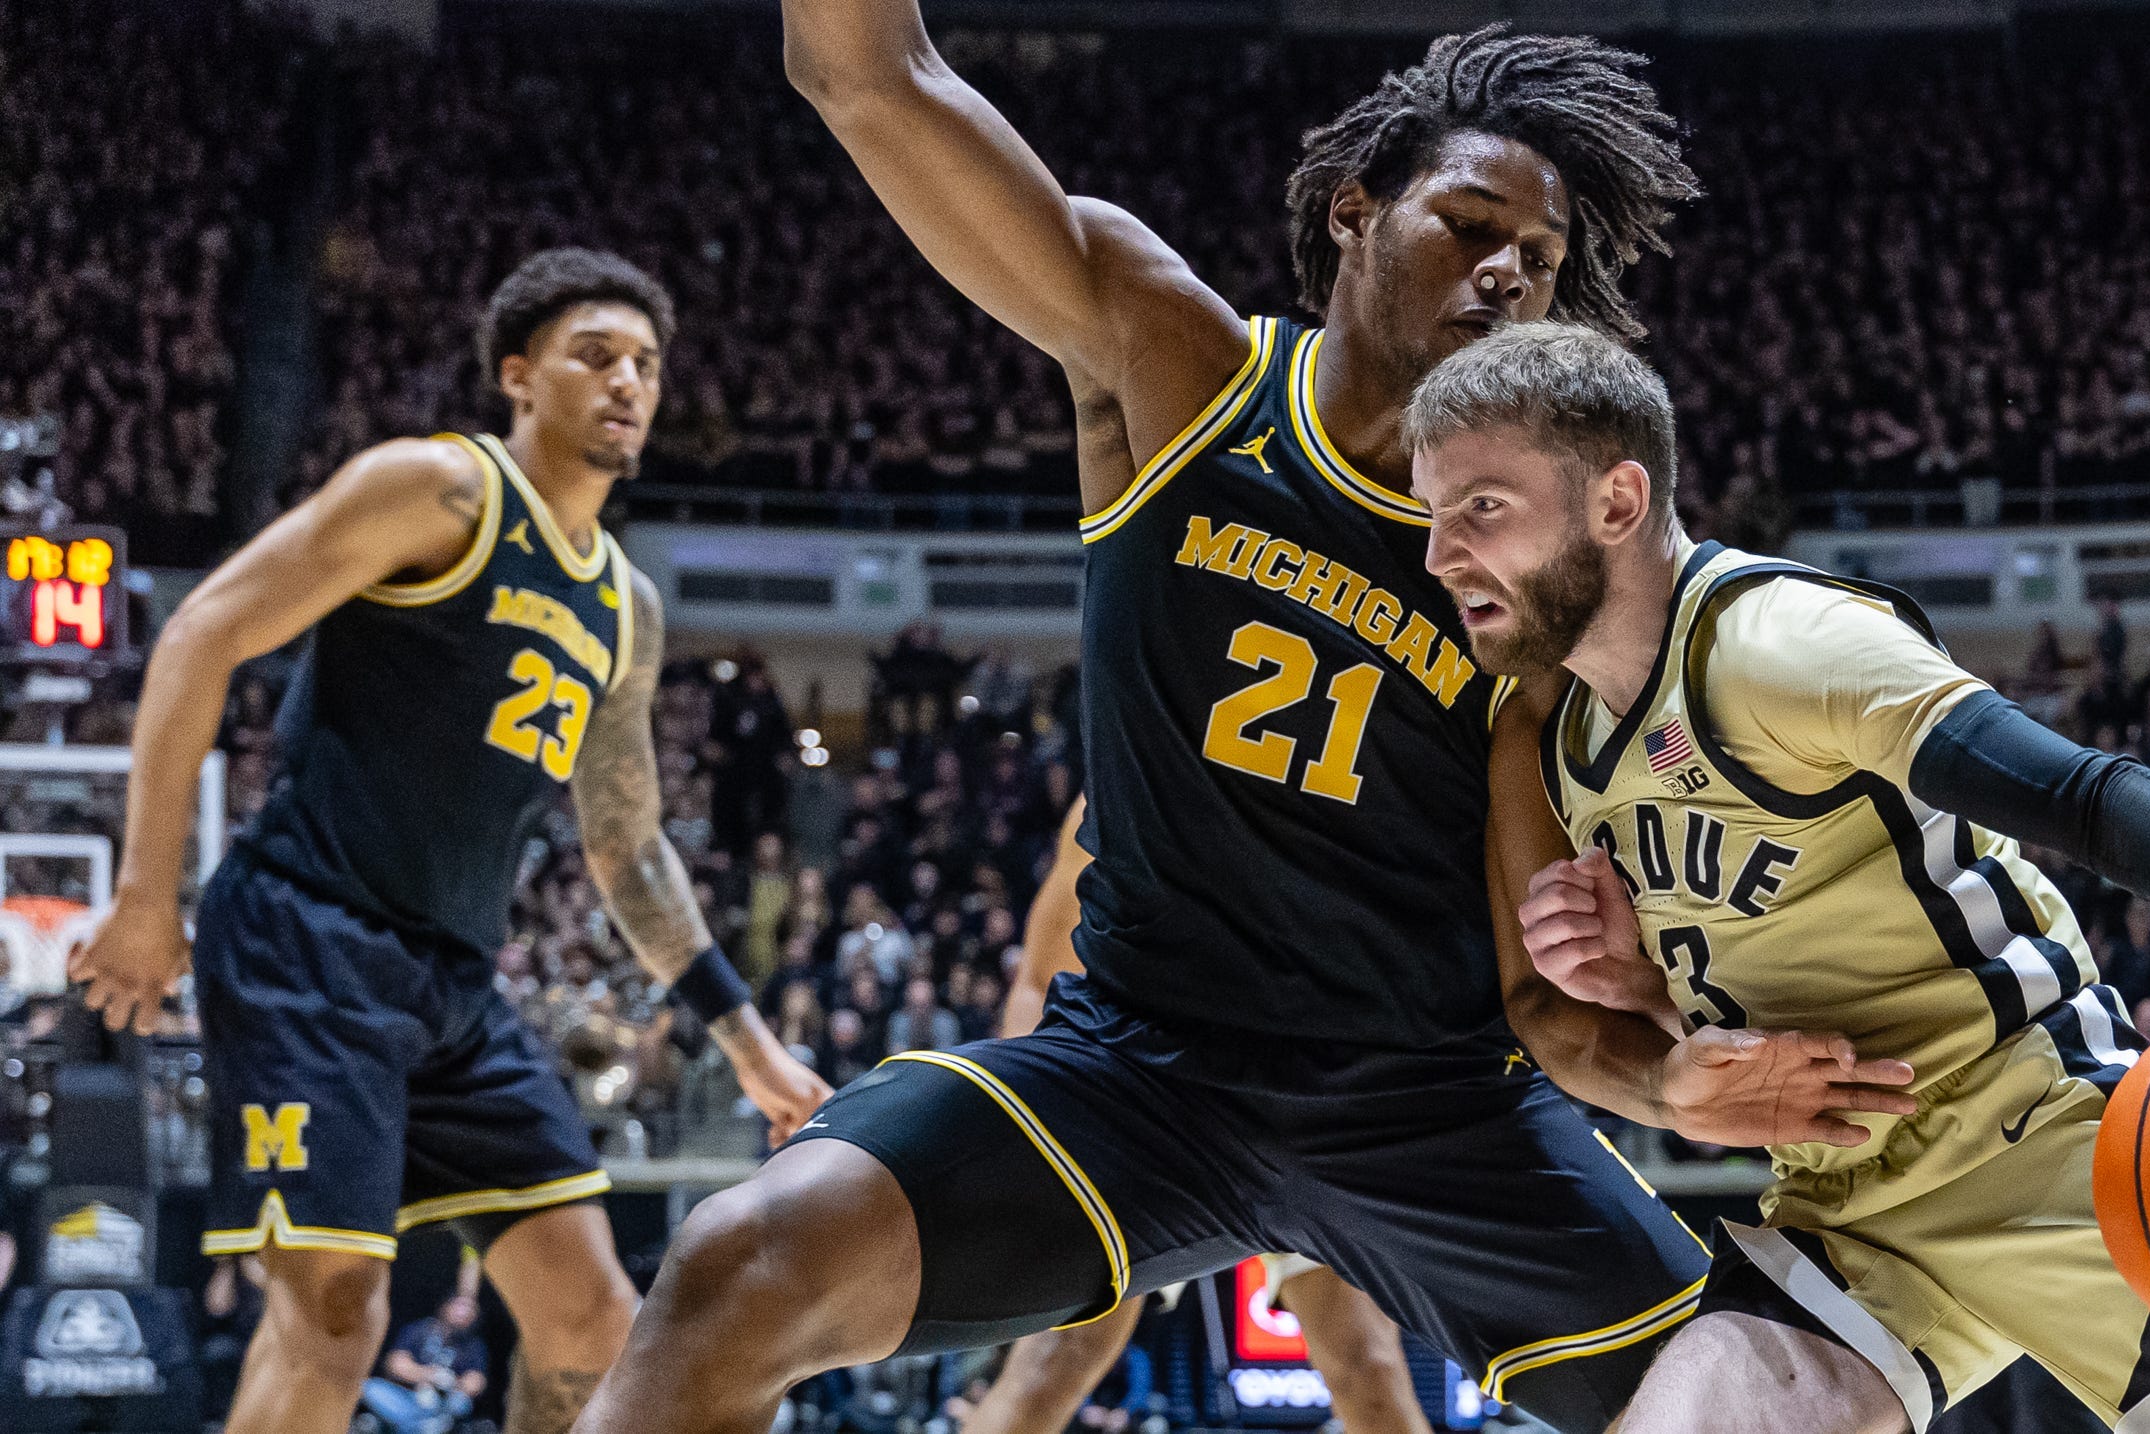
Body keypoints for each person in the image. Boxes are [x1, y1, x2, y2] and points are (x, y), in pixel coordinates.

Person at [581, 24, 1878, 1434]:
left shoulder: (1553, 579)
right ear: (1354, 212)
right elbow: (868, 78)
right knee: (734, 1265)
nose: (1509, 271)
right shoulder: (1179, 365)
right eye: (1469, 224)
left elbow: (1552, 1002)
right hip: (1138, 1067)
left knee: (1781, 1412)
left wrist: (1671, 1076)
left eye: (1542, 259)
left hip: (1426, 1105)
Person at [1424, 323, 2150, 1432]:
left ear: (1618, 502)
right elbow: (1766, 964)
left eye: (1482, 507)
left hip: (2030, 1138)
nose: (1441, 554)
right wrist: (1644, 986)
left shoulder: (1779, 644)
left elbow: (2082, 795)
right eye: (1435, 513)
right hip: (1844, 1199)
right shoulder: (1571, 740)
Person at [70, 250, 831, 1434]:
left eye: (646, 364)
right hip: (308, 940)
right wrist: (143, 895)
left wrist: (750, 1044)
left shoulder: (624, 607)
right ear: (518, 376)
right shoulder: (437, 491)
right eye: (595, 356)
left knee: (596, 1321)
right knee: (336, 1315)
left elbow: (629, 849)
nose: (627, 382)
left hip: (454, 987)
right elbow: (201, 631)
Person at [951, 404, 1431, 1434]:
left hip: (1301, 1083)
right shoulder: (1136, 786)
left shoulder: (1349, 794)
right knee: (1058, 1360)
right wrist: (1044, 1110)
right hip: (1151, 1087)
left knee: (1366, 1366)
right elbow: (1039, 973)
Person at [362, 1293, 491, 1434]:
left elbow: (476, 1382)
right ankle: (417, 1428)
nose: (463, 1312)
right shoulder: (420, 1330)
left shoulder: (474, 1346)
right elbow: (396, 1363)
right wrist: (428, 1375)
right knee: (370, 1387)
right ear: (446, 1306)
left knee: (460, 1404)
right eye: (459, 1305)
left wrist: (450, 1383)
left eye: (470, 1308)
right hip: (408, 1398)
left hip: (443, 1405)